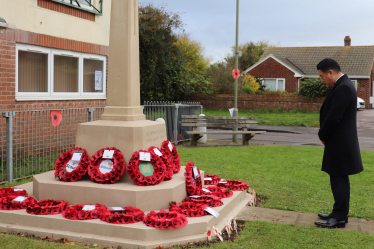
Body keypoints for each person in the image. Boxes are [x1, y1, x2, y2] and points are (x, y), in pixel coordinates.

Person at [314, 58, 363, 229]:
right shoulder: (344, 85)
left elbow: (334, 116)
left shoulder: (343, 87)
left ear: (331, 72)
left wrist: (322, 134)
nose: (322, 80)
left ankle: (340, 218)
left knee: (339, 179)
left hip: (340, 142)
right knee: (338, 178)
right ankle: (338, 212)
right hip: (339, 141)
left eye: (322, 76)